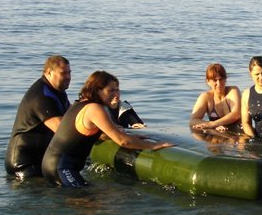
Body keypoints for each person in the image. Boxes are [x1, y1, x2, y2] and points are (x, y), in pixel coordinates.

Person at [42, 70, 173, 187]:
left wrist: (131, 137)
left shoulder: (81, 104)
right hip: (62, 169)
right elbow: (123, 141)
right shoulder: (95, 109)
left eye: (117, 90)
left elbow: (99, 134)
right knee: (87, 204)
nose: (116, 94)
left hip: (52, 164)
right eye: (111, 90)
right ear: (96, 90)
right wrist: (154, 146)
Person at [5, 55, 72, 179]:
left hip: (40, 159)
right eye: (63, 73)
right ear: (48, 72)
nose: (68, 77)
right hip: (23, 164)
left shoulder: (58, 90)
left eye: (69, 73)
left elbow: (72, 115)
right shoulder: (42, 96)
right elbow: (62, 130)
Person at [189, 63, 241, 133]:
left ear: (226, 79)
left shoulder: (233, 91)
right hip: (217, 136)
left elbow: (236, 114)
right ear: (208, 81)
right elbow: (193, 120)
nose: (219, 83)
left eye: (221, 79)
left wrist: (214, 124)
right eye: (215, 80)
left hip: (236, 134)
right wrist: (211, 125)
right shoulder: (206, 97)